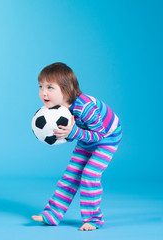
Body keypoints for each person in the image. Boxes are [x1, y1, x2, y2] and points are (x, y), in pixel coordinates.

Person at [32, 62, 122, 231]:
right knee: (70, 174)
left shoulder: (84, 107)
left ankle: (94, 219)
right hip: (86, 137)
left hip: (108, 138)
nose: (43, 92)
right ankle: (52, 214)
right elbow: (75, 133)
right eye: (41, 86)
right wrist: (64, 134)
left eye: (50, 87)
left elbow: (99, 135)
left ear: (66, 90)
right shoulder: (56, 110)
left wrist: (73, 132)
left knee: (89, 174)